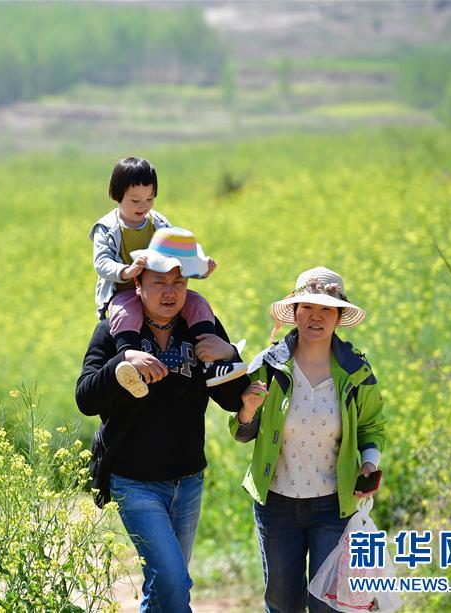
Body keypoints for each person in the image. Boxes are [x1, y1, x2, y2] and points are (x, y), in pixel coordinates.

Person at [76, 228, 249, 612]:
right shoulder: (115, 328)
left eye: (178, 282)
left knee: (163, 587)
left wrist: (230, 355)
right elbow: (85, 397)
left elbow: (232, 398)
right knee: (173, 580)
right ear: (138, 282)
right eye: (159, 283)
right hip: (133, 481)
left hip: (187, 481)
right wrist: (121, 363)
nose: (170, 292)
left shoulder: (199, 326)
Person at [230, 267, 388, 613]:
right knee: (282, 602)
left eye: (326, 309)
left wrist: (368, 464)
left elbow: (372, 428)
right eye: (307, 307)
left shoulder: (357, 371)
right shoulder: (269, 364)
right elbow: (243, 432)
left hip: (333, 505)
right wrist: (246, 409)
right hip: (276, 504)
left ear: (338, 316)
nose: (315, 317)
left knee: (326, 605)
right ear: (295, 312)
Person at [89, 157, 246, 398]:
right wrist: (127, 272)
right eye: (135, 200)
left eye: (150, 199)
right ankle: (130, 365)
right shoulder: (107, 228)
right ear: (116, 195)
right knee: (124, 311)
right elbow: (101, 263)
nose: (143, 205)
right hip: (124, 291)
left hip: (147, 286)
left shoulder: (158, 221)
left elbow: (179, 248)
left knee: (199, 304)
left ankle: (212, 364)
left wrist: (201, 265)